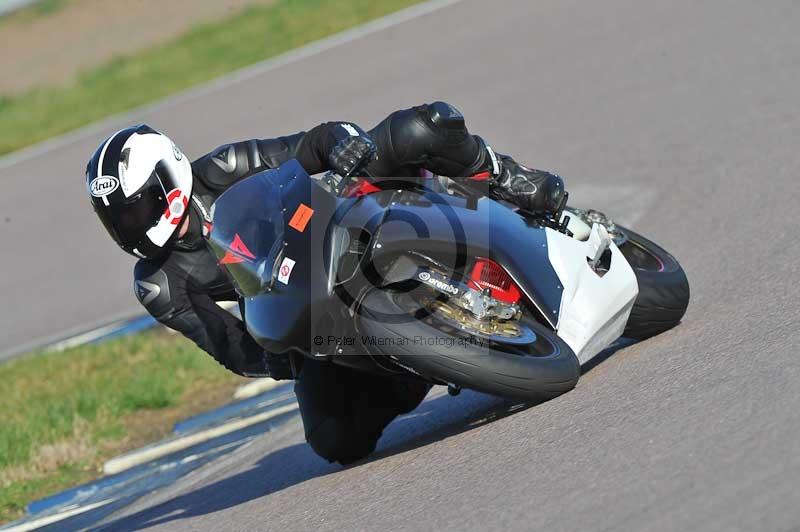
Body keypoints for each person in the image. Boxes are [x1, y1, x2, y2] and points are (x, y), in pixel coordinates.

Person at [85, 102, 566, 464]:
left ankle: (508, 177)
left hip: (342, 213)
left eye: (136, 208)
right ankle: (411, 368)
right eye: (117, 219)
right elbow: (230, 346)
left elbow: (311, 143)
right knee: (336, 440)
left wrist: (342, 143)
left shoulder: (226, 167)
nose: (129, 225)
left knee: (421, 126)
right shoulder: (159, 285)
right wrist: (282, 349)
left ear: (169, 179)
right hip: (311, 309)